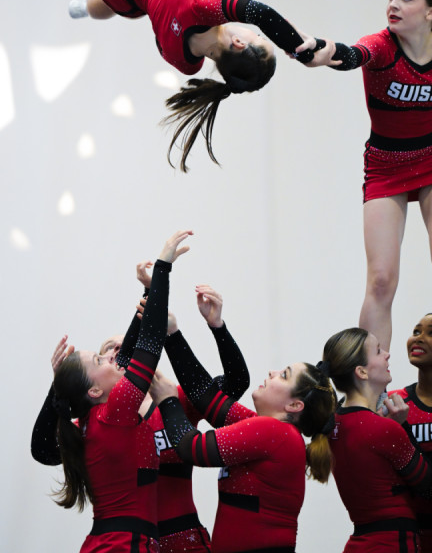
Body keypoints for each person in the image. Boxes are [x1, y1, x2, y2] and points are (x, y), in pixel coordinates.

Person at [69, 0, 327, 171]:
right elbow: (171, 23)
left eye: (259, 37)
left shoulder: (209, 7)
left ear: (239, 42)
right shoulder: (186, 62)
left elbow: (263, 15)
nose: (257, 33)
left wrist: (301, 49)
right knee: (130, 7)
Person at [32, 262, 250, 553]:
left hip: (184, 542)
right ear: (95, 384)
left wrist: (217, 327)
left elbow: (235, 384)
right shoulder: (96, 424)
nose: (116, 353)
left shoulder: (176, 401)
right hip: (128, 543)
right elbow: (44, 450)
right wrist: (60, 382)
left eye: (124, 347)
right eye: (107, 351)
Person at [294, 0, 432, 352]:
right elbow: (349, 54)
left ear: (430, 11)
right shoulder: (382, 46)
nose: (393, 4)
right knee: (381, 280)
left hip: (431, 158)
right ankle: (368, 379)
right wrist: (321, 52)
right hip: (386, 166)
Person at [149, 289, 337, 553]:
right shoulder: (264, 428)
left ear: (295, 405)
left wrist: (168, 401)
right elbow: (207, 397)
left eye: (283, 375)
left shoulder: (275, 433)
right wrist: (172, 333)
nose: (272, 372)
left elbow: (194, 449)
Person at [51, 229, 192, 553]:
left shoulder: (96, 419)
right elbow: (149, 344)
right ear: (94, 390)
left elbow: (129, 353)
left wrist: (148, 291)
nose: (112, 358)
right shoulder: (112, 413)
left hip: (117, 543)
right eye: (99, 359)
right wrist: (163, 268)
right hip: (121, 545)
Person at [322, 326, 432, 552]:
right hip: (391, 543)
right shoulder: (383, 429)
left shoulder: (333, 424)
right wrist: (402, 426)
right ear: (362, 372)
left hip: (362, 540)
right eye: (379, 351)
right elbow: (428, 487)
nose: (387, 354)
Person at [389, 313, 432, 549]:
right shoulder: (395, 403)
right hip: (407, 537)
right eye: (416, 331)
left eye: (431, 333)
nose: (419, 338)